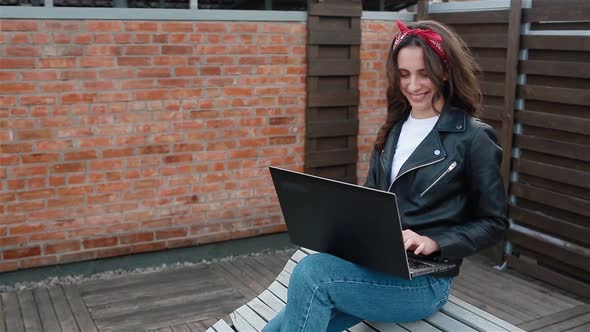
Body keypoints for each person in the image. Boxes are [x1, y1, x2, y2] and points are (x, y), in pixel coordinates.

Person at [262, 20, 508, 332]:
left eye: (424, 74)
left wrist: (434, 241)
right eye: (404, 75)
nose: (413, 85)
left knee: (312, 272)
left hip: (424, 282)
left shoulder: (473, 137)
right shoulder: (393, 129)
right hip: (373, 268)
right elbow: (371, 200)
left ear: (445, 72)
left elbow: (493, 223)